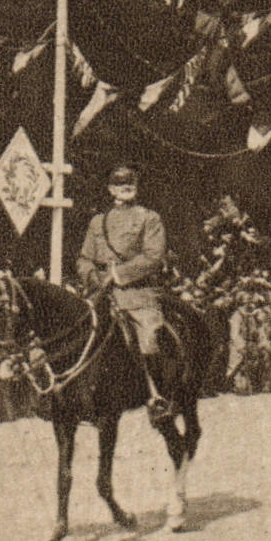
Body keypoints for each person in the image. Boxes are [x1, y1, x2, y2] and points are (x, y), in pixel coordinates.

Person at [76, 164, 174, 423]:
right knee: (76, 335)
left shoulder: (149, 218)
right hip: (100, 294)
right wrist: (93, 276)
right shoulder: (98, 222)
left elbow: (153, 257)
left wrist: (117, 274)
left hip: (136, 295)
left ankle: (156, 395)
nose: (125, 187)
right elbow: (84, 258)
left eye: (130, 183)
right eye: (119, 184)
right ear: (111, 189)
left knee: (149, 338)